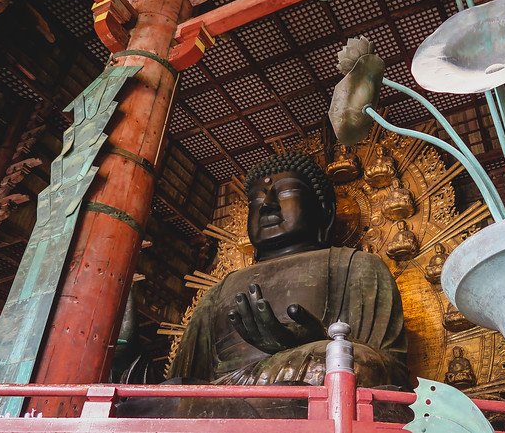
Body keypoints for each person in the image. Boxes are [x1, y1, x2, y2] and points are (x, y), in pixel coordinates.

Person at [168, 151, 408, 388]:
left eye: (285, 192)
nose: (267, 206)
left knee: (350, 363)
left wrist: (321, 340)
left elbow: (390, 370)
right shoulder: (217, 292)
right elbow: (180, 382)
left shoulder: (358, 265)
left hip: (313, 374)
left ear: (325, 211)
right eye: (257, 200)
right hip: (226, 392)